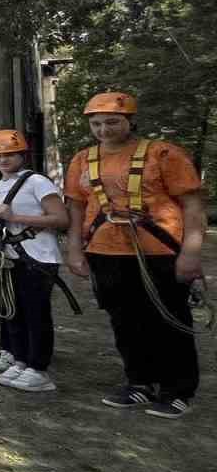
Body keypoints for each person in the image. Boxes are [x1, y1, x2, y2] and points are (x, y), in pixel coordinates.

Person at [64, 92, 205, 418]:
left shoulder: (163, 154)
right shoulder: (83, 159)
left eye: (112, 122)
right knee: (124, 320)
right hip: (105, 249)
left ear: (130, 121)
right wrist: (74, 249)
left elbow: (193, 204)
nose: (104, 129)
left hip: (158, 250)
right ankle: (140, 381)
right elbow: (75, 206)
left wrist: (191, 253)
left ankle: (177, 389)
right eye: (96, 124)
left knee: (168, 318)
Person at [0, 130, 69, 392]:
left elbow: (61, 219)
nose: (3, 160)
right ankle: (19, 360)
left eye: (9, 154)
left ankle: (38, 368)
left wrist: (17, 218)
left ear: (22, 155)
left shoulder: (37, 182)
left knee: (35, 313)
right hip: (4, 257)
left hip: (37, 257)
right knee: (10, 311)